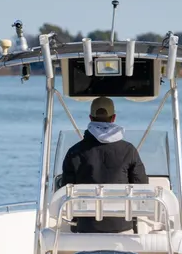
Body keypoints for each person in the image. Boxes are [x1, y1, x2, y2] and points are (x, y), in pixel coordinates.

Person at [60, 96, 148, 233]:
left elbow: (65, 190)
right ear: (113, 118)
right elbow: (141, 186)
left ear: (90, 117)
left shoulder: (75, 152)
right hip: (123, 227)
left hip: (85, 228)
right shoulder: (129, 150)